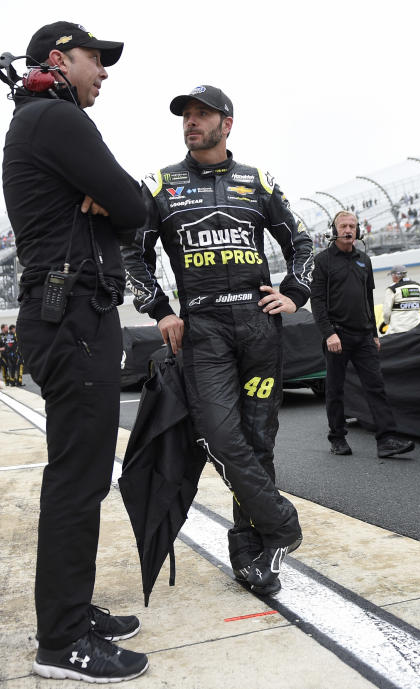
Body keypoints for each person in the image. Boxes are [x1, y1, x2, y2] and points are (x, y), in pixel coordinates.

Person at [1, 20, 149, 682]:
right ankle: (60, 641)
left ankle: (71, 610)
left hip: (71, 313)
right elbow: (133, 202)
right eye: (97, 58)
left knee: (82, 475)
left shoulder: (41, 120)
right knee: (77, 479)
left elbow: (118, 204)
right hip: (71, 317)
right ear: (58, 59)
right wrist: (117, 202)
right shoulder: (55, 121)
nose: (105, 71)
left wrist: (114, 204)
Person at [122, 84, 312, 596]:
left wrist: (294, 293)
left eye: (202, 114)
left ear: (227, 124)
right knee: (218, 435)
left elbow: (302, 242)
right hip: (203, 331)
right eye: (186, 115)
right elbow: (131, 253)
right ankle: (281, 524)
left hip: (257, 327)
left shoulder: (258, 180)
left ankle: (251, 555)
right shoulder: (160, 185)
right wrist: (160, 310)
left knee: (259, 440)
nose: (191, 122)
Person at [310, 211, 416, 459]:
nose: (349, 230)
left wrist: (374, 332)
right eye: (344, 226)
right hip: (337, 336)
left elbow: (368, 299)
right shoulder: (323, 261)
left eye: (353, 226)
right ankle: (337, 438)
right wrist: (329, 334)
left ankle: (387, 440)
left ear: (359, 231)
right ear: (334, 230)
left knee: (376, 387)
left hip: (364, 337)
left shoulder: (364, 260)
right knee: (335, 390)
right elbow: (317, 301)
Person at [380, 265, 420, 335]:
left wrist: (386, 322)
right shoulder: (419, 287)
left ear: (395, 275)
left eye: (392, 275)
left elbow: (386, 312)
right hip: (415, 327)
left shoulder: (392, 289)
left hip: (397, 329)